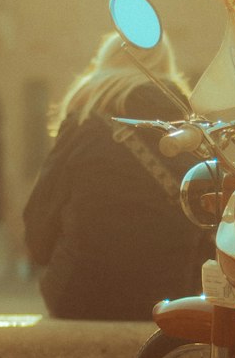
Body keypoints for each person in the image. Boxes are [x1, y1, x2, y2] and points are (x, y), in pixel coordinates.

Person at [23, 30, 206, 320]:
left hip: (78, 295)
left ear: (105, 62)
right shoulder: (189, 132)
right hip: (168, 296)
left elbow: (37, 223)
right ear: (164, 66)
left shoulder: (83, 121)